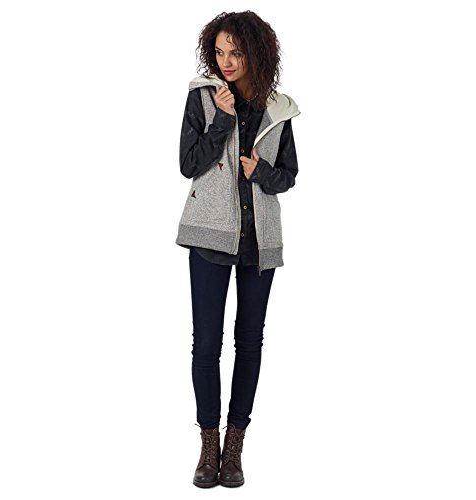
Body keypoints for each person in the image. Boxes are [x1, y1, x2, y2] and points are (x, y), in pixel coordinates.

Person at [175, 10, 300, 488]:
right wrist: (222, 122)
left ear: (256, 54)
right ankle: (208, 445)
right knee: (206, 344)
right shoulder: (203, 98)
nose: (226, 61)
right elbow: (188, 164)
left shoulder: (279, 109)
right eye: (220, 52)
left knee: (249, 342)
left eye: (237, 52)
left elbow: (288, 175)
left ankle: (235, 446)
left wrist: (259, 173)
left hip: (259, 242)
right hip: (209, 236)